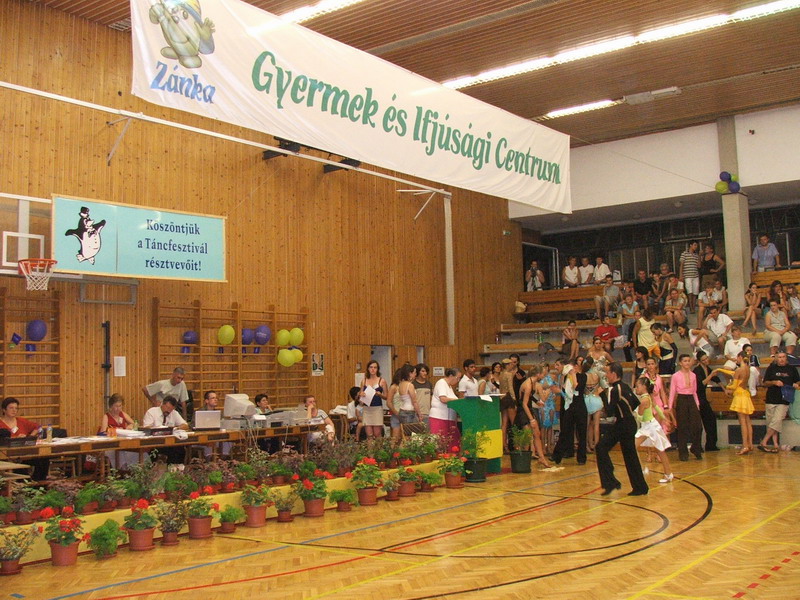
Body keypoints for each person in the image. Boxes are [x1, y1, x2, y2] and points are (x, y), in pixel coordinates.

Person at [596, 363, 649, 496]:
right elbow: (635, 403)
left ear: (614, 374)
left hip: (623, 424)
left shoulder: (615, 390)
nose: (606, 375)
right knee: (630, 456)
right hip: (628, 423)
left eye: (608, 372)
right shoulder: (625, 386)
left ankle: (611, 482)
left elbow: (609, 412)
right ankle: (640, 487)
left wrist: (602, 395)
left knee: (601, 447)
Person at [633, 377, 674, 483]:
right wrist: (665, 419)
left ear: (644, 387)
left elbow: (640, 418)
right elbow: (657, 408)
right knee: (632, 447)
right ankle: (640, 471)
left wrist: (634, 413)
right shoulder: (648, 397)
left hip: (650, 427)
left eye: (637, 386)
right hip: (648, 426)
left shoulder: (644, 400)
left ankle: (668, 474)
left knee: (660, 450)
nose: (636, 388)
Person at [713, 353, 755, 455]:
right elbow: (732, 373)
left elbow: (734, 385)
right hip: (745, 394)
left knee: (742, 422)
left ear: (740, 357)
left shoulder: (739, 370)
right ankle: (750, 444)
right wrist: (720, 370)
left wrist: (728, 387)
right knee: (747, 421)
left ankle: (745, 445)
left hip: (740, 396)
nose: (736, 359)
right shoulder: (748, 369)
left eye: (737, 358)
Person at [758, 351, 800, 452]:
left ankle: (764, 441)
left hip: (784, 399)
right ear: (776, 358)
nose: (781, 359)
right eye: (779, 357)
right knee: (771, 423)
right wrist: (774, 382)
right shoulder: (771, 368)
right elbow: (765, 383)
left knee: (777, 420)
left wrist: (796, 384)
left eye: (783, 357)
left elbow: (798, 381)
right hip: (771, 398)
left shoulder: (792, 369)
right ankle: (776, 444)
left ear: (786, 358)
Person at [0, 397, 48, 480]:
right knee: (21, 471)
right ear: (4, 410)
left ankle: (38, 482)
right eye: (11, 408)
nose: (14, 410)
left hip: (25, 454)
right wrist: (15, 438)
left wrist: (30, 437)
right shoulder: (1, 423)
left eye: (16, 408)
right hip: (7, 456)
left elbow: (37, 427)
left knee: (44, 460)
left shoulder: (21, 421)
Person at [668, 354, 703, 462]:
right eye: (685, 361)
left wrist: (697, 404)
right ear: (680, 363)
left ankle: (695, 448)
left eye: (688, 361)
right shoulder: (676, 376)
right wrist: (670, 406)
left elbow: (695, 391)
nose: (687, 363)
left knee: (698, 426)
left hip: (691, 399)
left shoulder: (693, 375)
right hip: (681, 399)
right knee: (682, 427)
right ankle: (683, 452)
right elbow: (672, 391)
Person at [553, 359, 587, 465]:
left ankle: (581, 458)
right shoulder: (566, 378)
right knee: (565, 431)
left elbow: (577, 388)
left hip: (580, 407)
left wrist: (573, 375)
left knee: (581, 433)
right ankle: (557, 455)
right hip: (570, 407)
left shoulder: (583, 376)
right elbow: (565, 392)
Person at [516, 365, 552, 467]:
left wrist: (536, 401)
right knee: (527, 436)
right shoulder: (528, 384)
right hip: (523, 411)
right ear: (538, 374)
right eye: (542, 374)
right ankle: (523, 460)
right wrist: (531, 419)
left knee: (537, 434)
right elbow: (524, 403)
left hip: (528, 408)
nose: (543, 376)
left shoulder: (533, 383)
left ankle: (541, 458)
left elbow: (529, 396)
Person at [142, 396, 188, 463]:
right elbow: (146, 428)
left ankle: (176, 468)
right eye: (167, 407)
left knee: (180, 449)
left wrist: (175, 428)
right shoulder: (152, 412)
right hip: (154, 443)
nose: (168, 411)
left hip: (169, 443)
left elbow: (185, 425)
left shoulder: (174, 413)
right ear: (162, 404)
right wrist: (158, 429)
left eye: (171, 409)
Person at [693, 350, 720, 451]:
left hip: (703, 398)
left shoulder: (707, 368)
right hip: (698, 398)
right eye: (703, 360)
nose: (706, 361)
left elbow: (716, 379)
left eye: (706, 358)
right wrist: (711, 375)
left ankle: (711, 445)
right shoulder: (697, 370)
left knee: (711, 420)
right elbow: (702, 383)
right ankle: (699, 446)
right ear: (699, 361)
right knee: (700, 423)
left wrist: (724, 389)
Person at [430, 368, 461, 446]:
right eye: (457, 378)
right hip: (439, 418)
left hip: (449, 419)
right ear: (451, 376)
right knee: (440, 443)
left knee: (453, 442)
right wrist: (458, 401)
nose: (458, 381)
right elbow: (443, 399)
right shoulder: (441, 383)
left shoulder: (449, 386)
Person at [358, 360, 388, 439]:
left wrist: (380, 394)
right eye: (371, 367)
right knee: (369, 434)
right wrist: (361, 395)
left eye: (375, 367)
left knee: (377, 433)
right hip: (367, 409)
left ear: (377, 369)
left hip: (377, 408)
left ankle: (379, 447)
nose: (373, 369)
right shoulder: (364, 381)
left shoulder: (382, 381)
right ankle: (370, 447)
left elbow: (386, 397)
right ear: (368, 369)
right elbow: (360, 398)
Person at [582, 357, 603, 453]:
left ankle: (586, 445)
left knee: (586, 425)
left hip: (586, 399)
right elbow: (603, 386)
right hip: (596, 399)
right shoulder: (596, 375)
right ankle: (597, 446)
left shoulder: (584, 375)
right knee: (596, 425)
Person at [498, 358, 517, 453]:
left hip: (502, 398)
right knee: (514, 422)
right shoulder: (509, 374)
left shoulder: (501, 374)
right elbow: (510, 387)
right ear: (507, 365)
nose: (512, 365)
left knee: (504, 423)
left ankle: (504, 445)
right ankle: (516, 445)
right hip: (509, 398)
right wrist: (514, 399)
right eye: (510, 364)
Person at [679, 241, 701, 313]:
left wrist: (699, 256)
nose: (696, 247)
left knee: (695, 292)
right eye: (695, 245)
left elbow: (699, 266)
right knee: (689, 292)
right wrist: (681, 275)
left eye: (696, 245)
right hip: (687, 275)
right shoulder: (684, 254)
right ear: (690, 245)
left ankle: (694, 307)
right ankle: (691, 308)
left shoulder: (696, 255)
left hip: (695, 276)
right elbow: (681, 265)